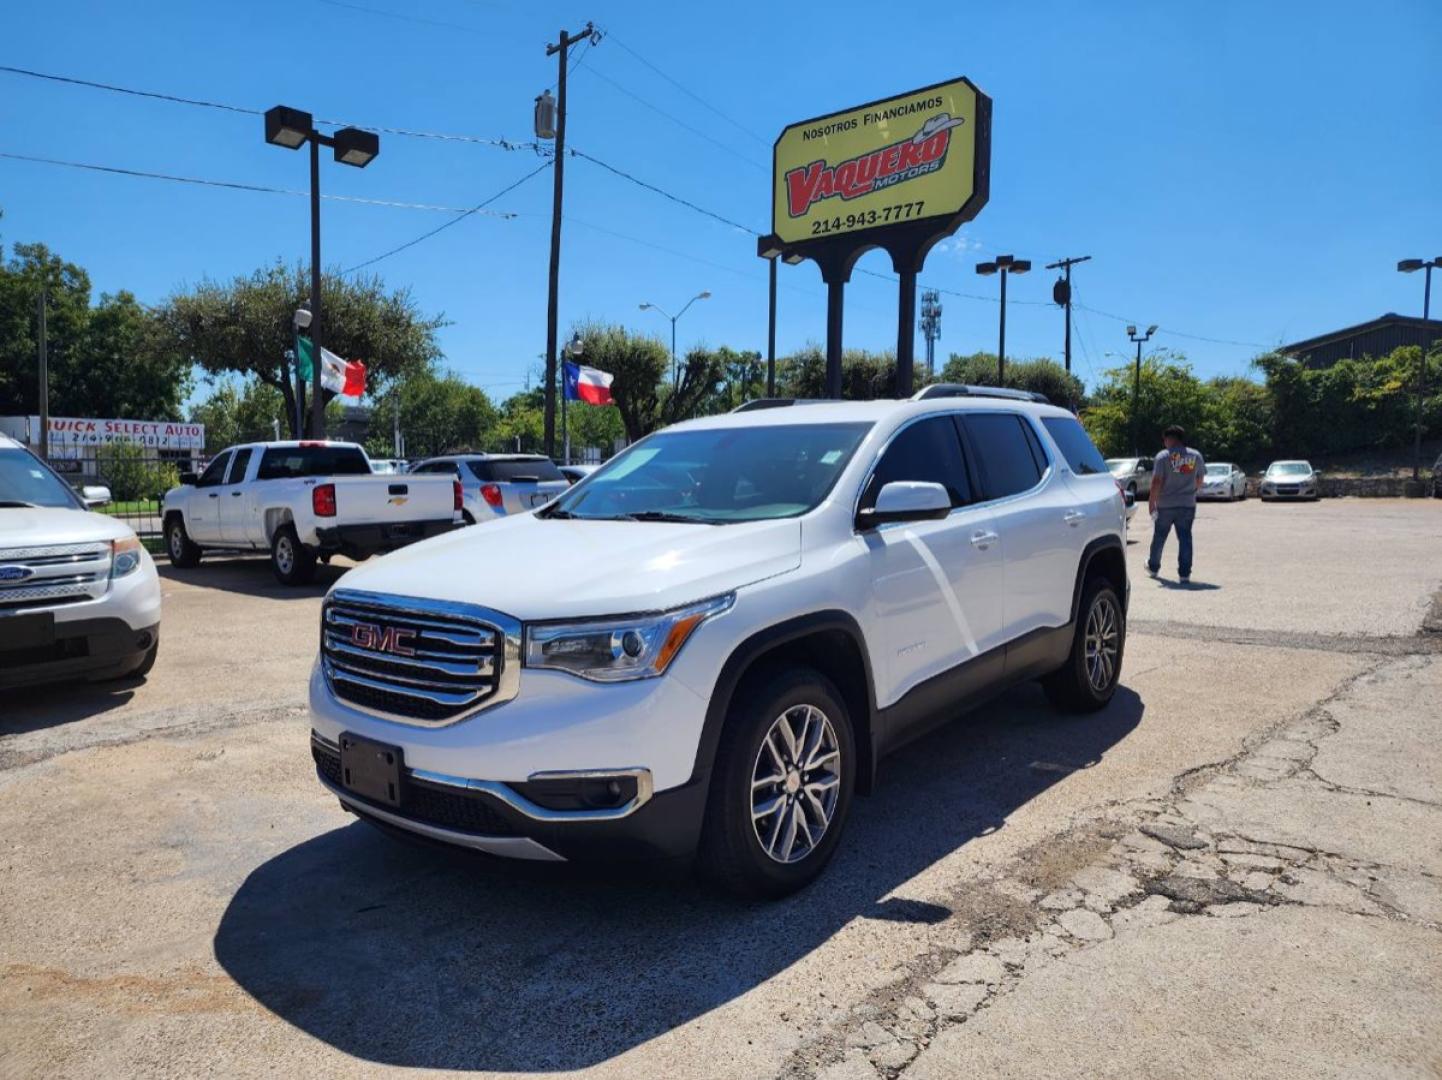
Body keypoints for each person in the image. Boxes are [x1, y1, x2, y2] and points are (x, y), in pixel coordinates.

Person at [1147, 425, 1204, 581]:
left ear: (1170, 439)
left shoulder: (1163, 457)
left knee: (1159, 537)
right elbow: (1200, 480)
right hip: (1187, 504)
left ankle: (1153, 567)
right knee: (1185, 538)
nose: (1164, 442)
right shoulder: (1195, 456)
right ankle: (1184, 574)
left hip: (1165, 504)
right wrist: (1191, 491)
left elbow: (1156, 482)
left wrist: (1152, 503)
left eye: (1165, 439)